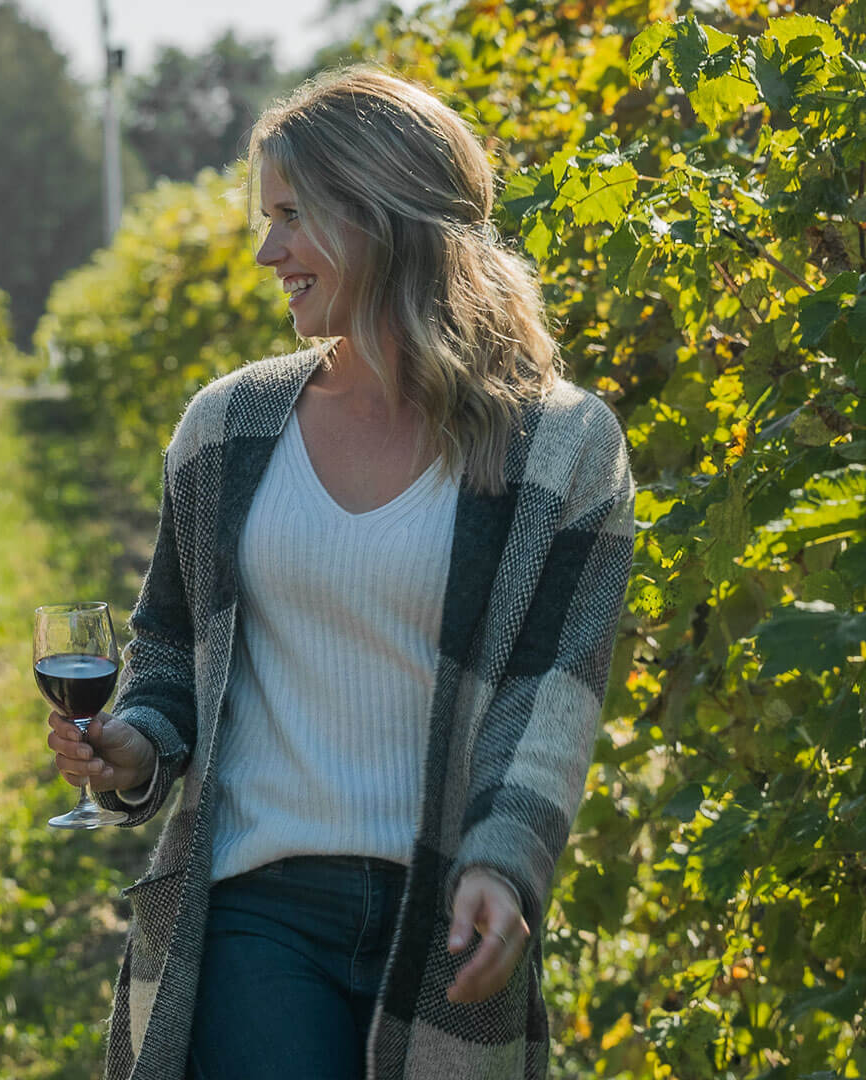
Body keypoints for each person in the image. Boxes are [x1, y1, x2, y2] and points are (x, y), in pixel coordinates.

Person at [46, 67, 635, 1080]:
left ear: (383, 217)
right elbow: (172, 649)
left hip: (445, 908)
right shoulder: (226, 430)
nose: (266, 251)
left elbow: (553, 692)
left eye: (291, 216)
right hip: (255, 905)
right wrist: (136, 747)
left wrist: (506, 857)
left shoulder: (560, 449)